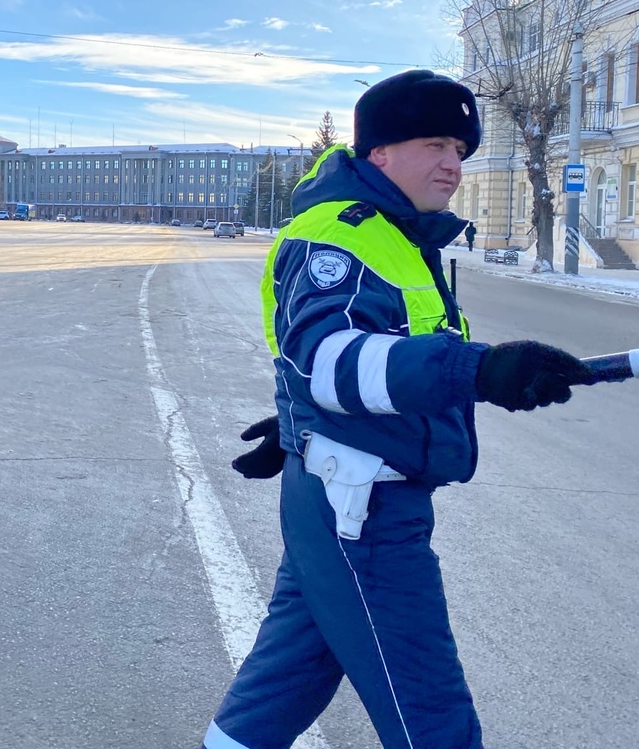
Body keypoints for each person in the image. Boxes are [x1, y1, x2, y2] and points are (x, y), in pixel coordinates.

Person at [205, 70, 593, 749]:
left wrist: (302, 425)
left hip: (347, 486)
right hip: (364, 508)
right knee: (430, 712)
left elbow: (350, 363)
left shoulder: (396, 235)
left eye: (462, 151)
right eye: (437, 143)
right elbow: (328, 358)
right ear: (380, 151)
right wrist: (479, 369)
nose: (454, 164)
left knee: (282, 683)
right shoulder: (342, 235)